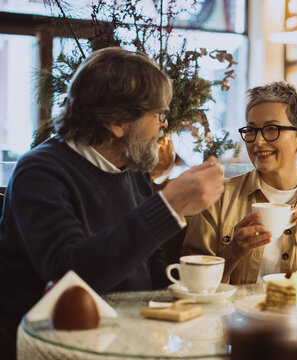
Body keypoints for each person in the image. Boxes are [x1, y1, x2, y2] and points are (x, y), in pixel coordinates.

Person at [0, 47, 224, 353]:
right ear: (117, 122)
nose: (164, 125)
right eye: (159, 114)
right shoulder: (39, 173)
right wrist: (168, 207)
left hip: (132, 334)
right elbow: (69, 277)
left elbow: (151, 265)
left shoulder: (132, 166)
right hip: (59, 344)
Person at [182, 81, 297, 284]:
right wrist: (234, 250)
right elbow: (192, 283)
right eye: (251, 131)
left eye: (271, 129)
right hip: (230, 315)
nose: (258, 141)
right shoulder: (217, 198)